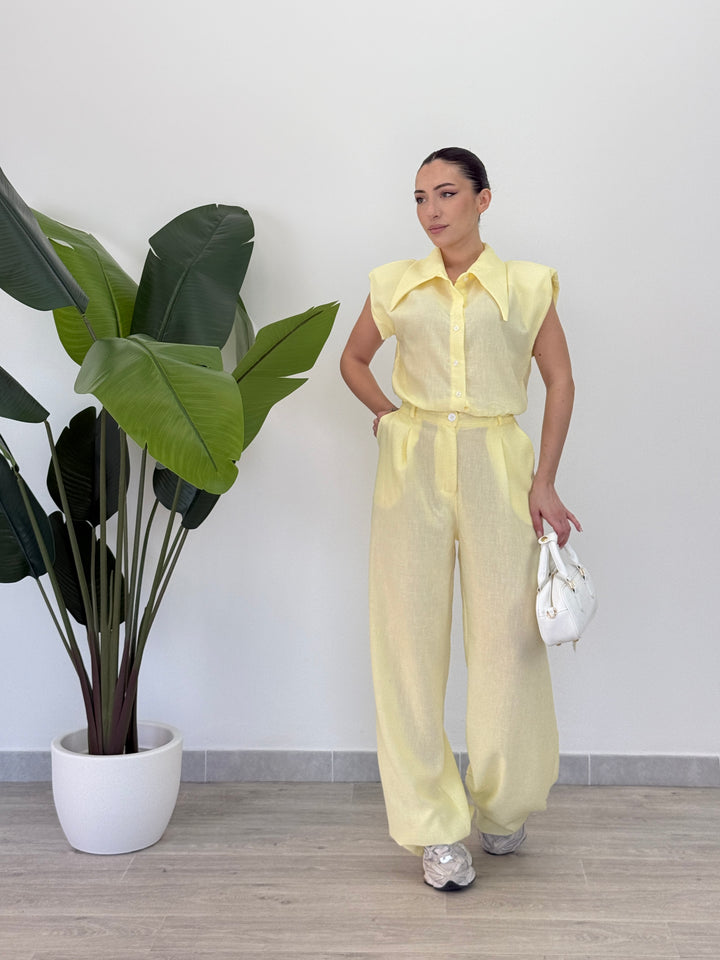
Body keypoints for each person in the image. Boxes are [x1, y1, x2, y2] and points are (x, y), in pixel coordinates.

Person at [340, 147, 580, 891]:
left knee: (508, 642)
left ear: (483, 198)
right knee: (407, 646)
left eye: (446, 193)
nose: (432, 210)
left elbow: (560, 379)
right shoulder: (395, 284)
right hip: (411, 468)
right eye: (420, 198)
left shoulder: (527, 285)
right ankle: (435, 829)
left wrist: (545, 480)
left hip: (497, 462)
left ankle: (504, 804)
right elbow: (352, 360)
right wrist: (390, 418)